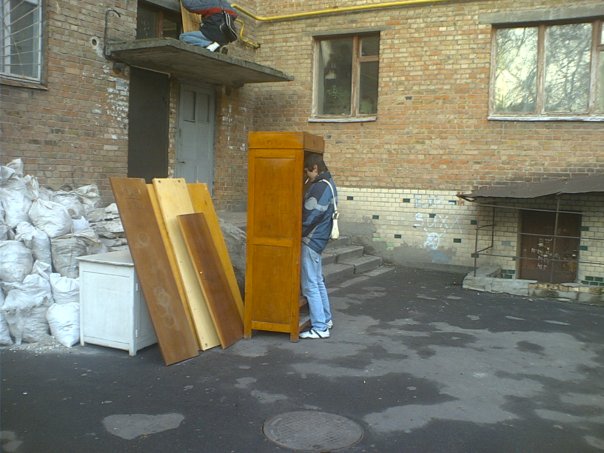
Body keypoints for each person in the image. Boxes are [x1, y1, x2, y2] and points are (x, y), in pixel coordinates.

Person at [299, 154, 337, 340]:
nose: (307, 177)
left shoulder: (320, 187)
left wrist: (296, 231)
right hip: (320, 239)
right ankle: (326, 319)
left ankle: (320, 327)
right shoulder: (330, 183)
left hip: (311, 240)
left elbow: (310, 217)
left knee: (310, 285)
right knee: (318, 281)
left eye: (307, 172)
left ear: (314, 168)